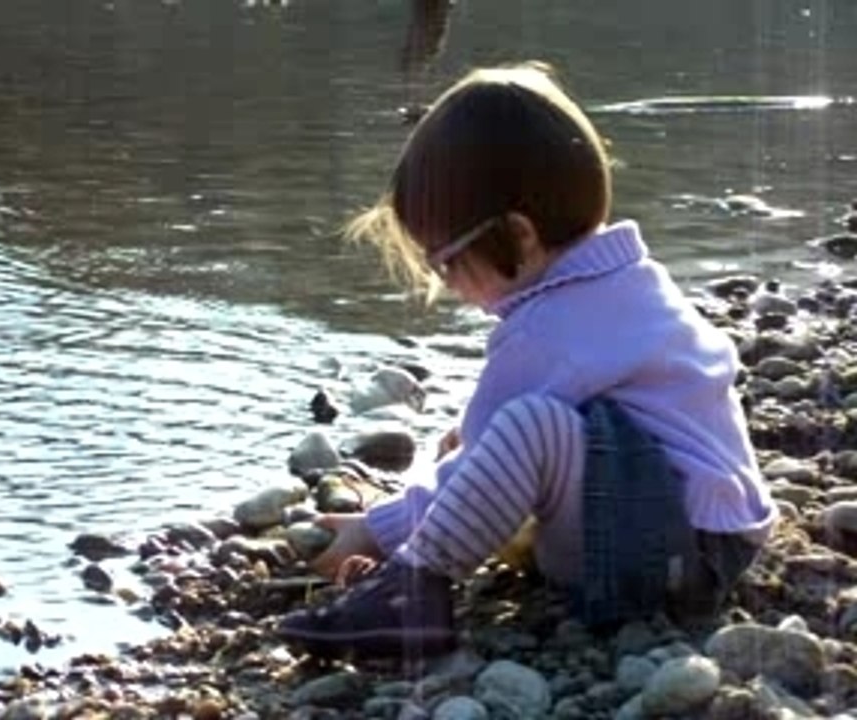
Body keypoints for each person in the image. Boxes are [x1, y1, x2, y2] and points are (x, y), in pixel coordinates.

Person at [276, 61, 778, 660]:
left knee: (523, 429)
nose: (450, 285)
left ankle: (410, 595)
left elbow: (513, 442)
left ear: (518, 235)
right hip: (715, 539)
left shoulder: (546, 328)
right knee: (483, 438)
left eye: (446, 263)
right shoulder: (628, 281)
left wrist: (375, 530)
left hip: (666, 555)